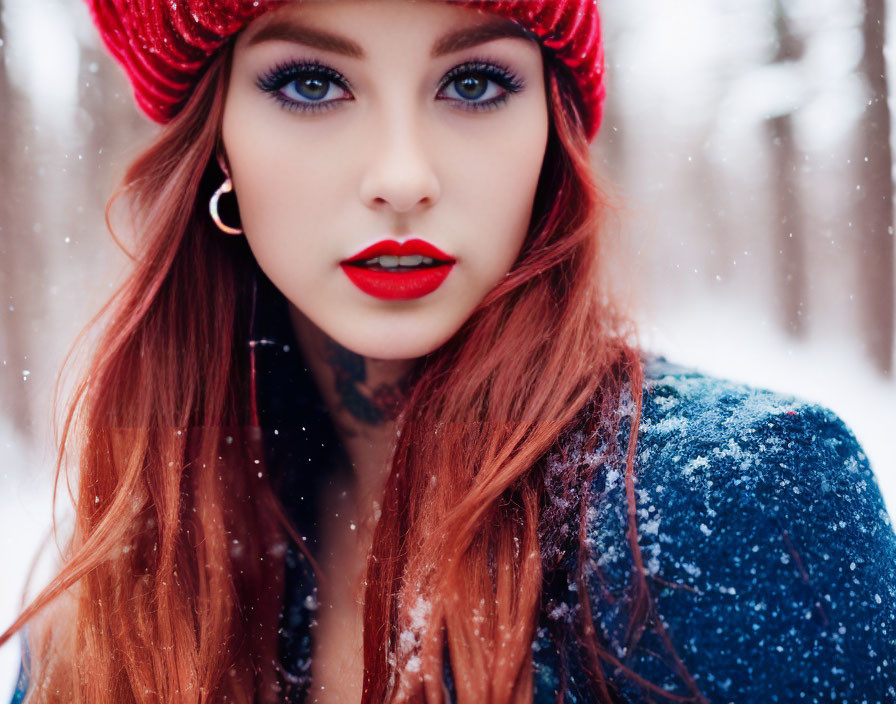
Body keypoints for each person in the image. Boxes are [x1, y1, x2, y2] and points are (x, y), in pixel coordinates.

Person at [3, 0, 895, 702]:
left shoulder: (745, 507)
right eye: (312, 83)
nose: (401, 176)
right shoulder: (124, 580)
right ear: (219, 145)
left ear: (550, 130)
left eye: (472, 84)